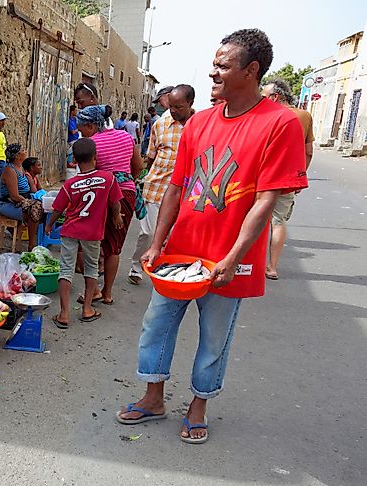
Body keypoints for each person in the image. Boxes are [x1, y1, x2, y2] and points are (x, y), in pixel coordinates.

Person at [116, 29, 308, 444]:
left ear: (251, 70)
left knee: (214, 337)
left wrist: (233, 254)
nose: (212, 73)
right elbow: (175, 188)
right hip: (181, 254)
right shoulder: (199, 122)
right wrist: (155, 243)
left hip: (228, 261)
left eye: (223, 66)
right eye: (214, 64)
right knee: (156, 325)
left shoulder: (281, 123)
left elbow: (266, 201)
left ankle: (199, 404)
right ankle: (153, 397)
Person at [47, 138, 123, 327]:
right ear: (95, 157)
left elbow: (57, 208)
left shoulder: (70, 184)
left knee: (66, 269)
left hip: (71, 230)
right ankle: (87, 309)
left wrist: (50, 224)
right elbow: (115, 203)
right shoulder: (108, 179)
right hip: (93, 233)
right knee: (91, 270)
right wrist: (117, 217)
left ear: (75, 160)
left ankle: (64, 314)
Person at [77, 104, 145, 305]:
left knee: (89, 243)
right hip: (127, 193)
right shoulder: (125, 136)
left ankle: (95, 290)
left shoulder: (91, 143)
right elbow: (139, 166)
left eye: (81, 128)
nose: (80, 132)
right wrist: (125, 180)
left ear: (90, 126)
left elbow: (88, 174)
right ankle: (107, 294)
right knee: (114, 247)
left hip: (103, 195)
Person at [129, 85, 196, 284]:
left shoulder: (199, 125)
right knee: (147, 233)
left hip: (184, 192)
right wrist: (145, 177)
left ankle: (165, 270)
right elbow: (151, 156)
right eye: (171, 105)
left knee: (173, 237)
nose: (173, 110)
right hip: (157, 187)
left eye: (179, 107)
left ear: (190, 104)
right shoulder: (161, 124)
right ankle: (135, 265)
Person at [261, 76, 314, 280]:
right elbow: (308, 151)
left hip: (263, 176)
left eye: (265, 96)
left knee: (252, 217)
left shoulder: (267, 114)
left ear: (275, 96)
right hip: (288, 179)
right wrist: (300, 176)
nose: (262, 99)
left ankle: (249, 262)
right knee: (278, 221)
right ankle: (272, 266)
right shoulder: (304, 116)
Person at [0, 143, 42, 250]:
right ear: (17, 155)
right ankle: (31, 245)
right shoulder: (10, 170)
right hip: (8, 204)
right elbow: (14, 196)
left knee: (40, 207)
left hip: (20, 202)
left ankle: (37, 243)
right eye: (23, 150)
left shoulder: (20, 169)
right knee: (35, 209)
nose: (25, 151)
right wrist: (29, 202)